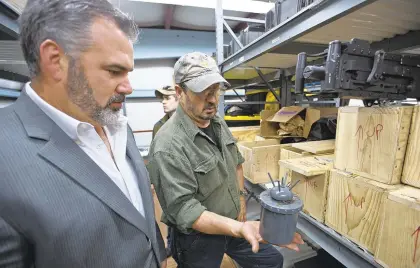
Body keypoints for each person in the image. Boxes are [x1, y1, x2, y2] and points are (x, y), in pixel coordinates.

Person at [0, 0, 166, 267]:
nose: (128, 87)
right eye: (114, 71)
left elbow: (140, 221)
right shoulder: (5, 156)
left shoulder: (116, 125)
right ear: (56, 60)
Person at [148, 52, 304, 268]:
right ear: (179, 92)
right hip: (197, 237)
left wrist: (241, 201)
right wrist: (238, 228)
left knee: (270, 261)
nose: (212, 99)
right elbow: (186, 211)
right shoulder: (167, 145)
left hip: (233, 222)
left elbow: (236, 163)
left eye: (216, 90)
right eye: (203, 91)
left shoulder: (216, 122)